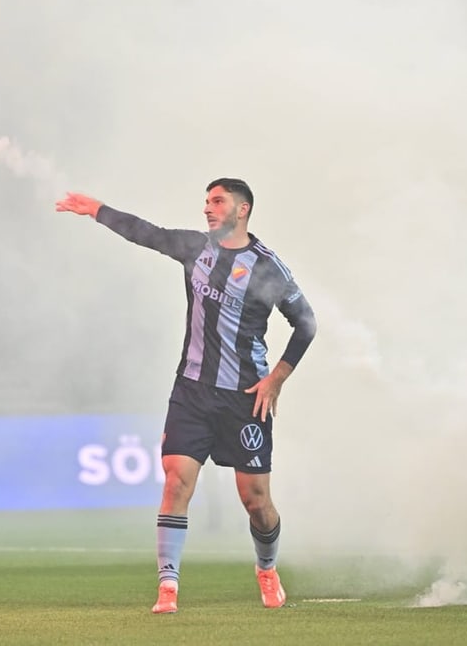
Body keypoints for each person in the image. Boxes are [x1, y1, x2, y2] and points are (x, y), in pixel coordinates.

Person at [56, 178, 317, 613]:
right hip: (192, 390)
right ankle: (168, 587)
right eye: (207, 201)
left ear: (243, 210)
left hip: (245, 397)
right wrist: (97, 209)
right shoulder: (196, 248)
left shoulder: (268, 267)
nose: (208, 209)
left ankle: (267, 570)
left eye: (218, 202)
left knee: (256, 501)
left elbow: (306, 323)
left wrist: (277, 379)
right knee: (177, 480)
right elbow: (145, 232)